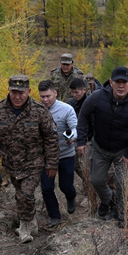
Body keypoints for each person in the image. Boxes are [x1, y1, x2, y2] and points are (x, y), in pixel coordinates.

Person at [0, 75, 59, 243]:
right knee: (20, 193)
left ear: (28, 91)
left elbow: (51, 138)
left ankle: (24, 228)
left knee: (26, 194)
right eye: (14, 92)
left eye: (21, 92)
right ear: (9, 91)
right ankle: (31, 218)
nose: (17, 96)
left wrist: (52, 163)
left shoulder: (39, 111)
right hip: (11, 162)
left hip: (34, 161)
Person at [76, 66, 128, 228]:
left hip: (123, 150)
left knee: (123, 183)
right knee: (96, 180)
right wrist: (81, 141)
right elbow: (83, 116)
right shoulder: (97, 97)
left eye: (124, 82)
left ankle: (123, 217)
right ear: (111, 82)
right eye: (117, 82)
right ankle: (110, 199)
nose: (121, 86)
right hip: (100, 147)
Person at [38, 80, 78, 227]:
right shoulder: (36, 110)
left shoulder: (66, 109)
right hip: (46, 157)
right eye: (42, 96)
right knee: (47, 188)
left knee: (65, 186)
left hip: (66, 154)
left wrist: (71, 137)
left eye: (48, 96)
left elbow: (75, 128)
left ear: (55, 93)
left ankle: (71, 196)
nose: (45, 100)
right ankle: (55, 216)